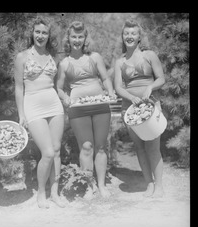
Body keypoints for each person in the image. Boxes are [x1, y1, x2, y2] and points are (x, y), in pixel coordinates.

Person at [56, 21, 116, 198]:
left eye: (80, 36)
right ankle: (89, 185)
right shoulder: (64, 63)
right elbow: (59, 88)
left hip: (100, 106)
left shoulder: (95, 57)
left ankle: (102, 185)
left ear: (85, 38)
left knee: (101, 147)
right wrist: (65, 98)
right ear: (68, 38)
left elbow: (105, 79)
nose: (77, 40)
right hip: (78, 109)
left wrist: (111, 92)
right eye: (73, 36)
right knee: (86, 147)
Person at [14, 17, 65, 208]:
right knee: (48, 152)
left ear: (48, 35)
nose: (41, 36)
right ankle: (41, 193)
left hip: (54, 105)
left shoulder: (54, 57)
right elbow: (19, 88)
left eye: (44, 32)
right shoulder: (22, 57)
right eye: (38, 32)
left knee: (57, 150)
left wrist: (66, 97)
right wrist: (21, 114)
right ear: (32, 33)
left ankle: (55, 192)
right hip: (33, 106)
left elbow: (57, 85)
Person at [114, 18, 165, 197]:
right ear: (122, 37)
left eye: (133, 33)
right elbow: (118, 87)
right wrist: (131, 97)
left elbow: (161, 78)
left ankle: (159, 186)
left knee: (153, 147)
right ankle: (148, 183)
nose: (129, 36)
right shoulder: (119, 62)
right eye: (126, 33)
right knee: (140, 147)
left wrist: (150, 87)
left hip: (150, 106)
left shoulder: (149, 55)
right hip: (130, 109)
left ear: (139, 37)